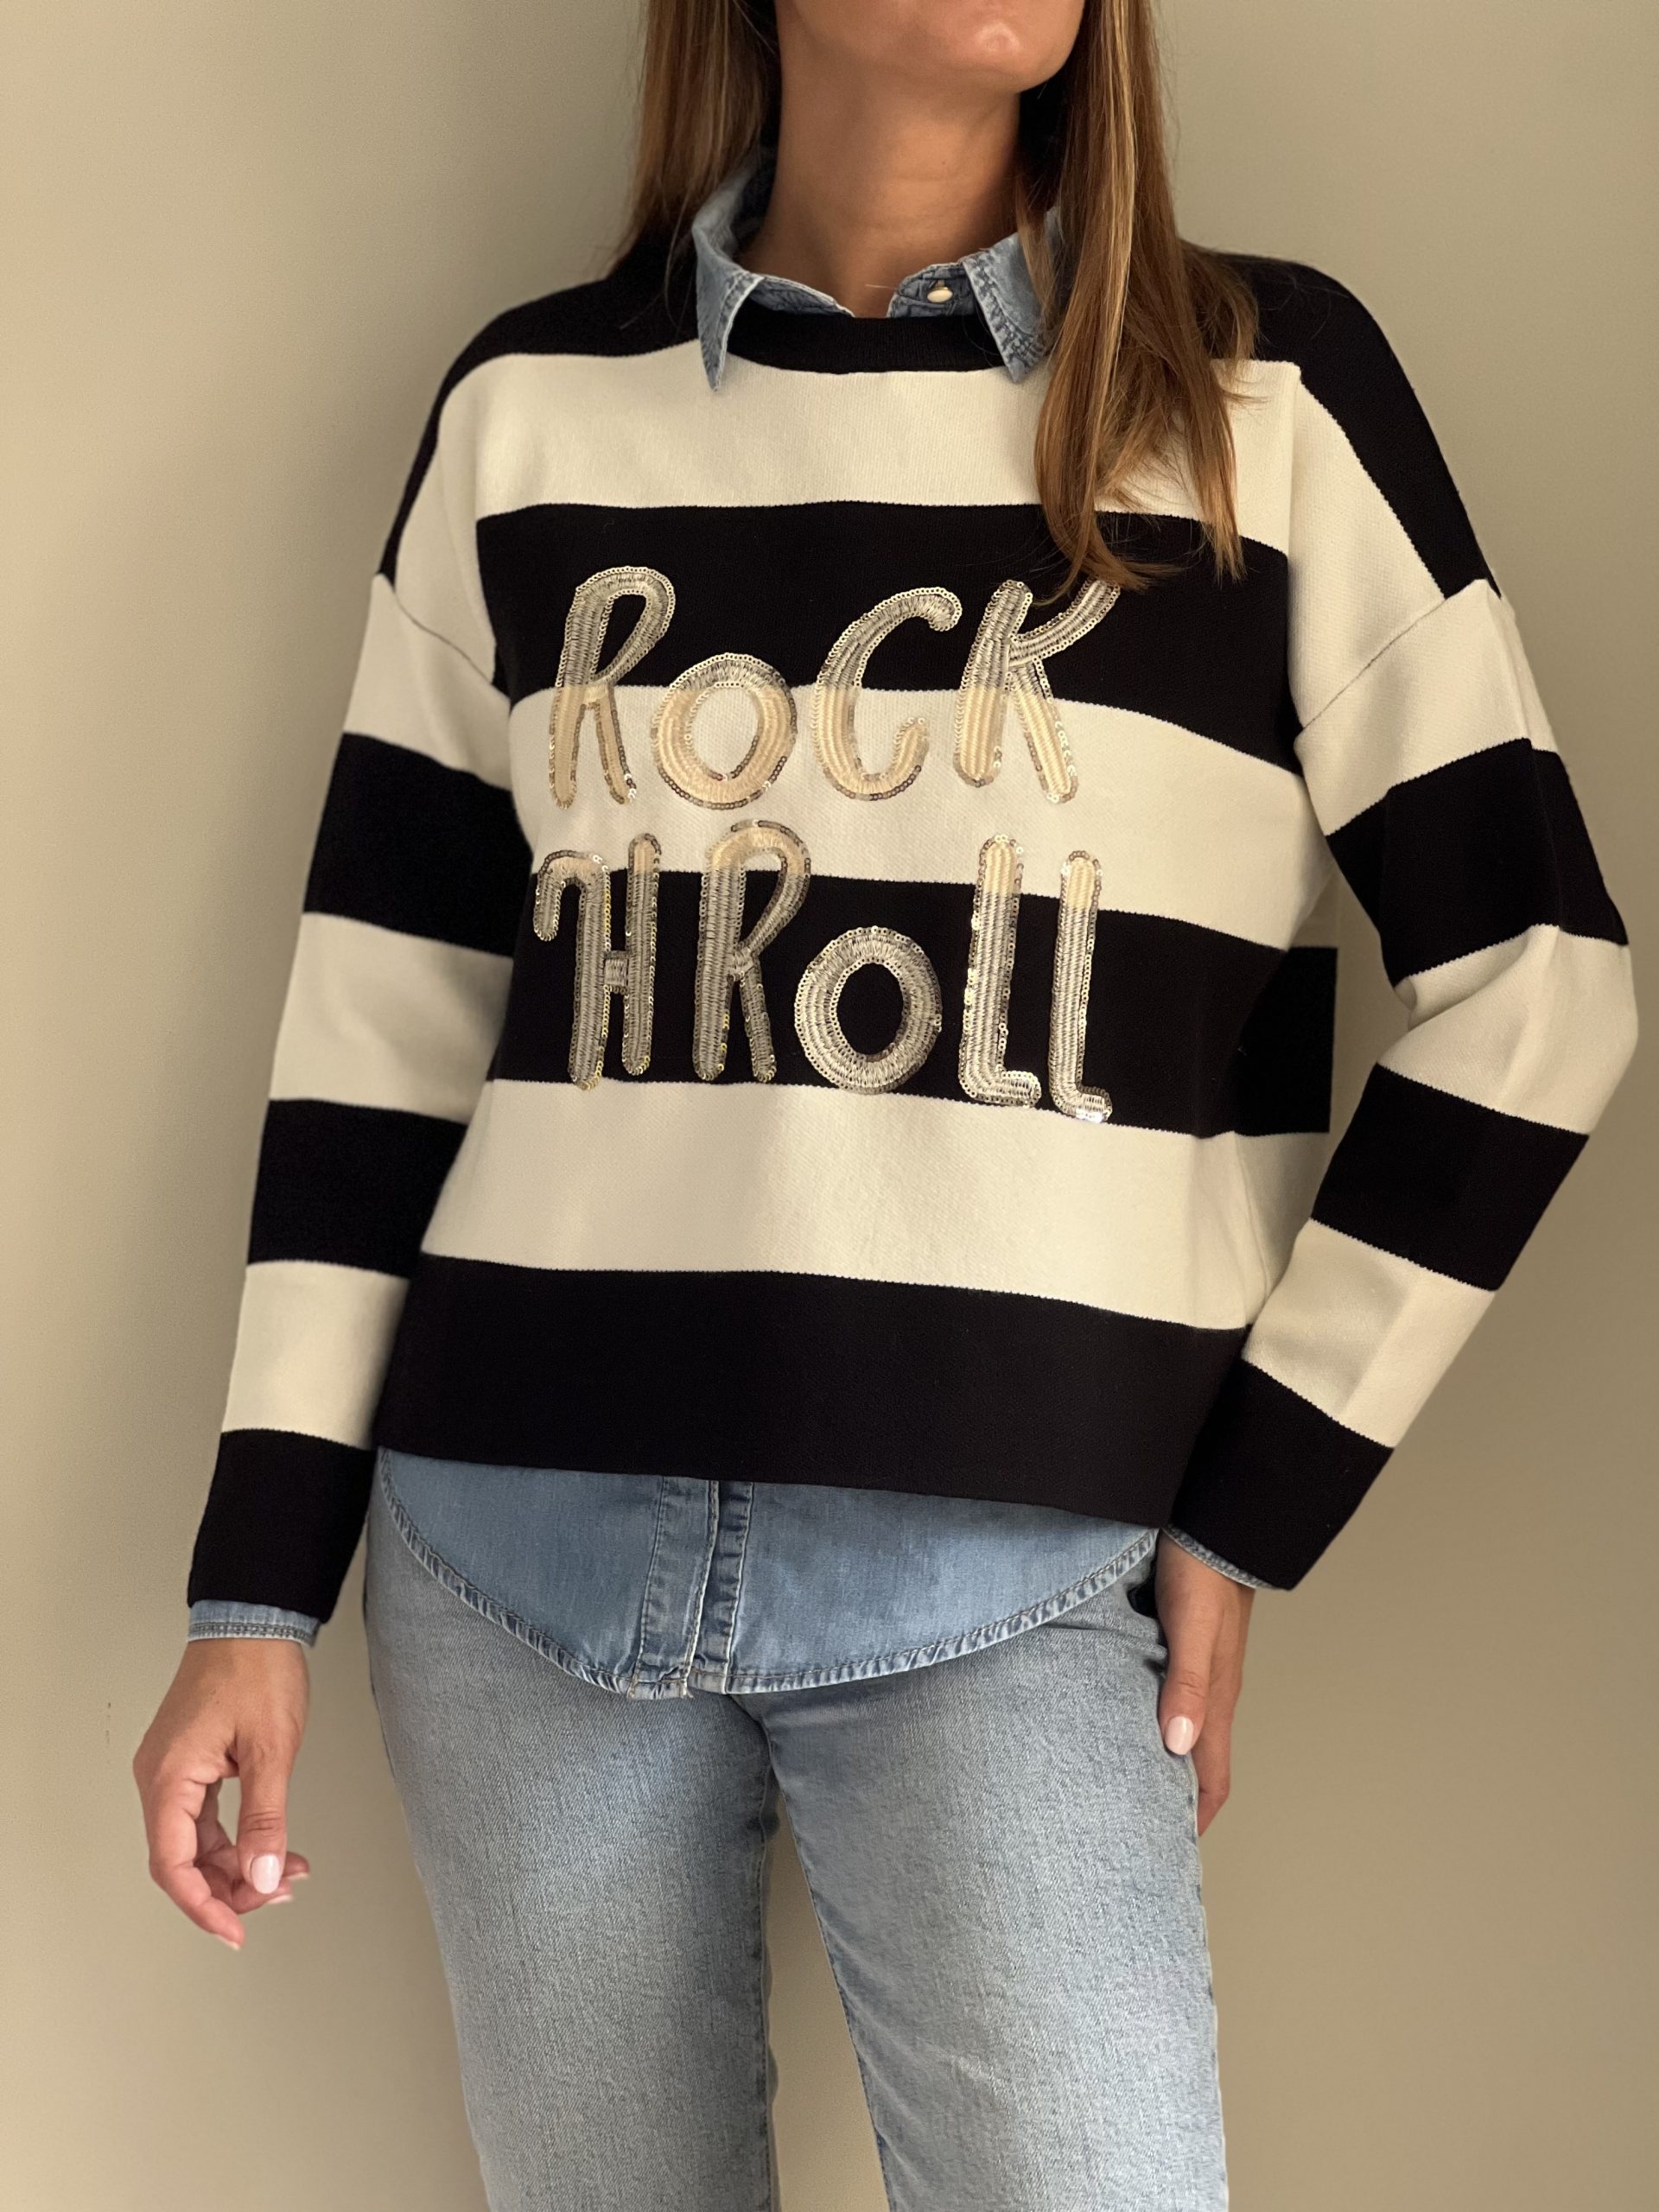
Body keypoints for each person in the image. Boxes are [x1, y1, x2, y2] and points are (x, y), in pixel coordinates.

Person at [133, 3, 1637, 2206]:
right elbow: (381, 1027)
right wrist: (254, 1589)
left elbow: (1539, 982)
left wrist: (1256, 1498)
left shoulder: (1263, 402)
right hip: (513, 1565)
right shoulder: (530, 414)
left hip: (1017, 1573)